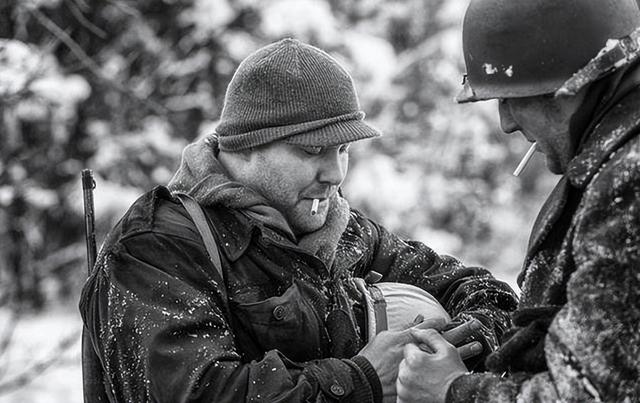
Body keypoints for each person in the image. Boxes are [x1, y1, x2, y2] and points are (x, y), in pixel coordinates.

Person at [79, 38, 517, 403]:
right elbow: (196, 394)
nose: (336, 174)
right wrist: (361, 379)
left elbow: (487, 294)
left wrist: (452, 347)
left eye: (342, 150)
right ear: (248, 145)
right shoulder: (153, 249)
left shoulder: (342, 231)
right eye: (312, 152)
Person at [396, 1, 640, 402]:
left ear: (574, 83)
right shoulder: (612, 163)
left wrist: (451, 391)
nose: (506, 122)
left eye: (513, 97)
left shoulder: (628, 182)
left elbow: (590, 393)